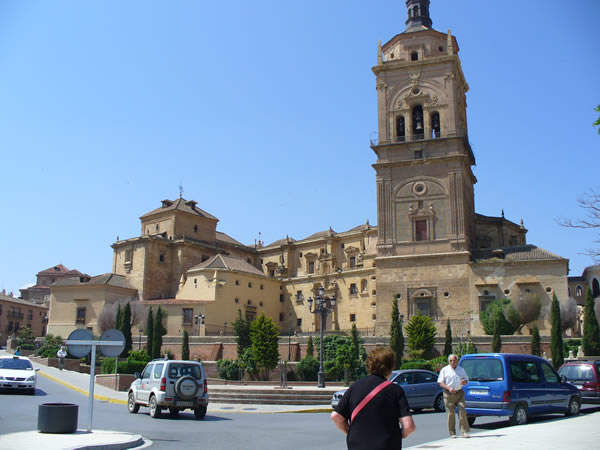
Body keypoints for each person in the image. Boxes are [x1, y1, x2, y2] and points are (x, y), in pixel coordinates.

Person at [331, 347, 416, 449]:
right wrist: (396, 436)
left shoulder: (355, 387)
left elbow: (336, 416)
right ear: (390, 368)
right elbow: (409, 426)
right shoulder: (394, 390)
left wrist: (349, 432)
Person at [438, 354, 470, 438]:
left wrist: (464, 382)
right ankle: (452, 432)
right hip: (448, 394)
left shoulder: (461, 370)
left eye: (454, 360)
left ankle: (464, 431)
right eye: (451, 361)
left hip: (459, 393)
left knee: (462, 411)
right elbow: (440, 382)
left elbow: (466, 379)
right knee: (451, 414)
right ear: (448, 361)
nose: (453, 362)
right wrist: (448, 388)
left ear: (457, 361)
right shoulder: (444, 370)